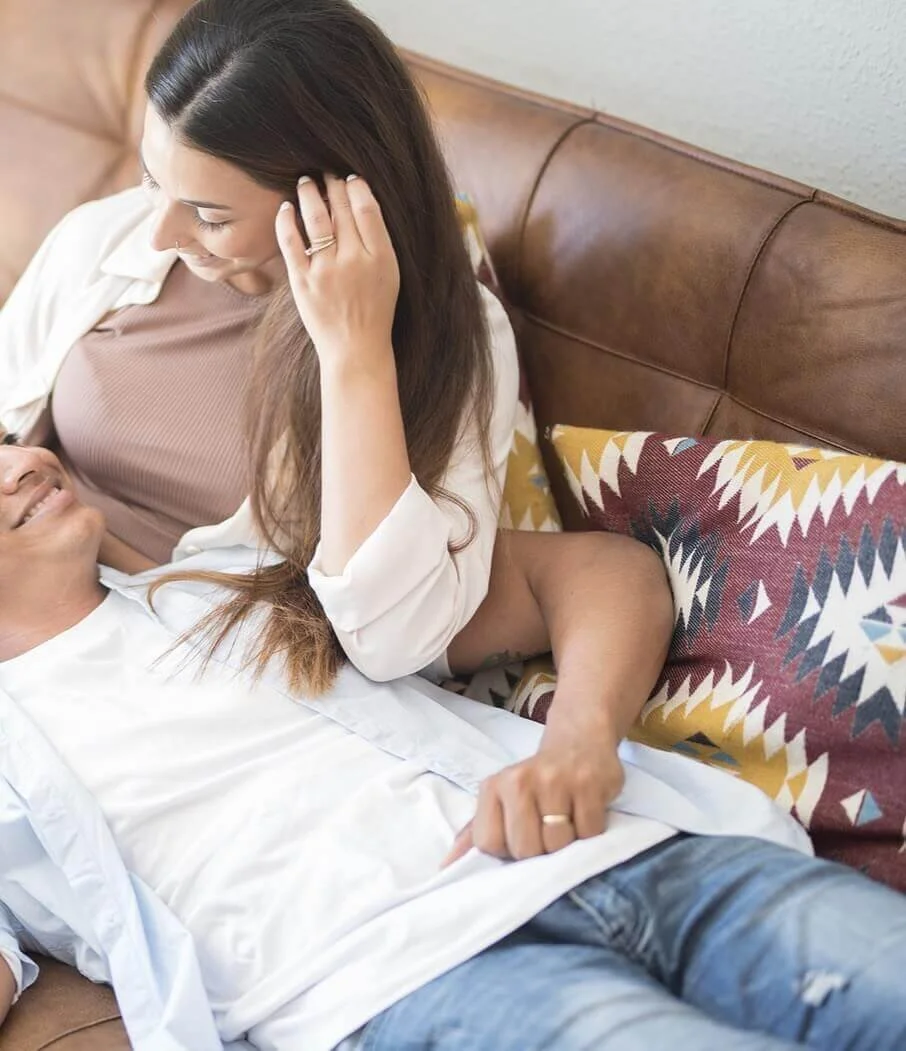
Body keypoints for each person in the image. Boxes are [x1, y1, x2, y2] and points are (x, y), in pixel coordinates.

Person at [1, 439, 906, 1051]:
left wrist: (578, 743)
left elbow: (597, 571)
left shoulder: (234, 576)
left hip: (643, 857)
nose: (19, 461)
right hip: (413, 985)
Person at [0, 0, 519, 696]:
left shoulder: (453, 341)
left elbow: (394, 638)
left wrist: (353, 355)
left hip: (186, 682)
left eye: (209, 216)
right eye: (153, 180)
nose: (160, 232)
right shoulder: (106, 242)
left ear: (335, 201)